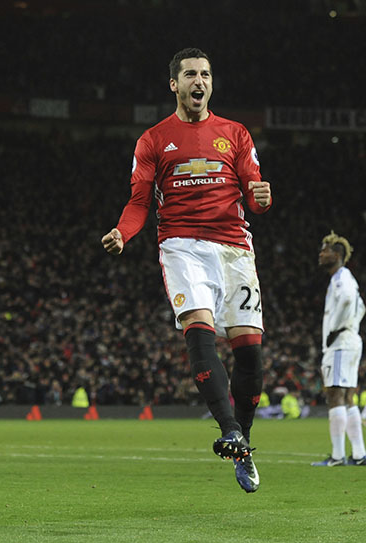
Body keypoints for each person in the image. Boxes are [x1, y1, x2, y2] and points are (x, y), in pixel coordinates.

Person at [101, 48, 271, 493]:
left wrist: (261, 198)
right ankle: (229, 429)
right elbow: (139, 203)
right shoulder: (154, 140)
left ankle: (243, 440)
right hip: (182, 246)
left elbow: (252, 196)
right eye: (191, 74)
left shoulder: (234, 133)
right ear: (174, 85)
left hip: (234, 248)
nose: (200, 81)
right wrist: (123, 232)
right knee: (199, 329)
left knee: (249, 351)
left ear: (212, 83)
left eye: (206, 74)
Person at [311, 232, 366, 467]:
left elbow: (346, 299)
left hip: (341, 342)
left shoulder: (340, 278)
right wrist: (351, 324)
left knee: (334, 394)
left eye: (324, 250)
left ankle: (337, 456)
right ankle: (359, 454)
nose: (321, 254)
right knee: (347, 397)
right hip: (351, 339)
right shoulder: (347, 277)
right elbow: (361, 306)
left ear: (336, 255)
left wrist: (337, 327)